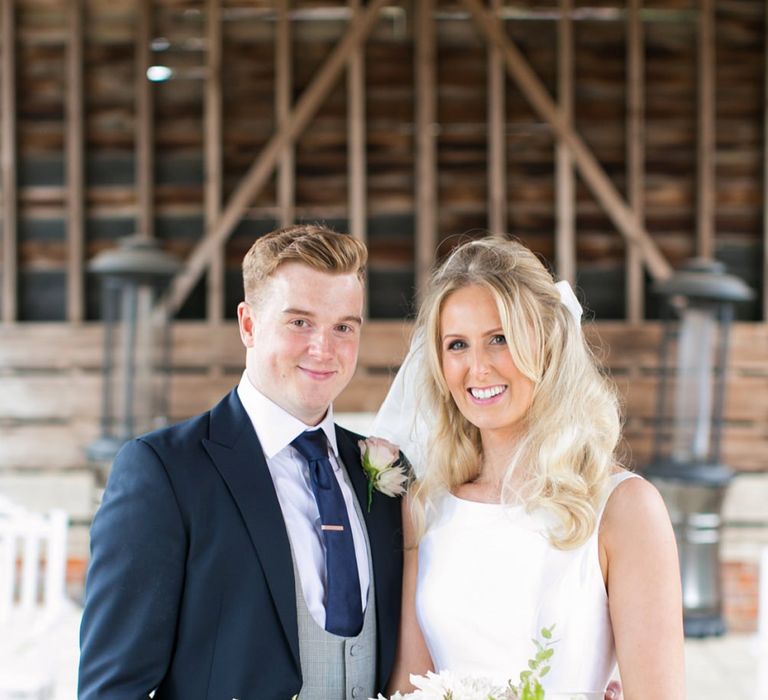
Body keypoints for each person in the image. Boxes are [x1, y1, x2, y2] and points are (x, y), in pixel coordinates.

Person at [78, 225, 404, 700]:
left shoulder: (383, 470)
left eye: (343, 327)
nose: (324, 348)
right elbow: (113, 690)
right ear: (248, 324)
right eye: (300, 323)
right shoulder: (164, 471)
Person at [375, 237, 685, 699]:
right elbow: (410, 687)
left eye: (499, 338)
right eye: (457, 344)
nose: (477, 367)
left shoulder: (623, 509)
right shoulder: (425, 506)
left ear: (547, 345)